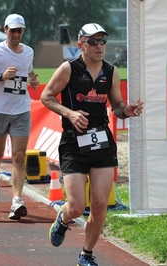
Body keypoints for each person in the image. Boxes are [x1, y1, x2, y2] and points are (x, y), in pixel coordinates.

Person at [41, 23, 143, 266]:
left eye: (102, 41)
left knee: (99, 204)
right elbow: (46, 96)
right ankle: (63, 219)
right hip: (73, 143)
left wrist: (126, 111)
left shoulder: (112, 71)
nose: (99, 46)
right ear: (81, 45)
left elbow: (117, 106)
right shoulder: (68, 69)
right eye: (93, 41)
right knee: (77, 206)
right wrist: (70, 113)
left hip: (101, 142)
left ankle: (86, 254)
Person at [0, 13, 39, 220]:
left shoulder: (28, 52)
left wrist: (33, 81)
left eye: (19, 30)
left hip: (21, 110)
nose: (16, 34)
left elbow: (28, 74)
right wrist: (1, 76)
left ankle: (16, 200)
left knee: (19, 157)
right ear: (5, 30)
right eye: (12, 30)